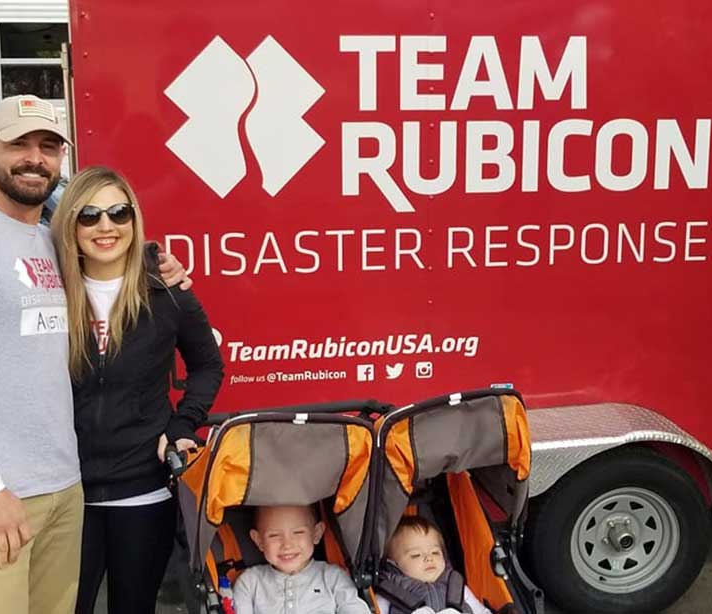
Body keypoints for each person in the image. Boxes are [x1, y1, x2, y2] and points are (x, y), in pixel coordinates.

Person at [0, 94, 189, 614]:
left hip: (64, 490)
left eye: (49, 146)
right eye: (19, 144)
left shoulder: (49, 242)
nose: (35, 158)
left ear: (61, 159)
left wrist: (161, 267)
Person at [49, 166, 223, 614]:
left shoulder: (166, 292)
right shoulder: (46, 290)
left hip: (144, 490)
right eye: (89, 215)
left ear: (133, 220)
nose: (105, 226)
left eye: (118, 213)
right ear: (71, 222)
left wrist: (184, 423)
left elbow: (207, 364)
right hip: (65, 492)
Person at [232, 504, 372, 614]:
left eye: (298, 533)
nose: (287, 544)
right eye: (274, 535)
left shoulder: (333, 577)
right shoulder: (249, 583)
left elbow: (354, 609)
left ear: (316, 534)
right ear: (259, 540)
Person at [375, 517, 490, 614]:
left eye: (435, 552)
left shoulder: (456, 587)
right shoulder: (390, 592)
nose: (429, 558)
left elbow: (482, 612)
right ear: (393, 565)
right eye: (416, 555)